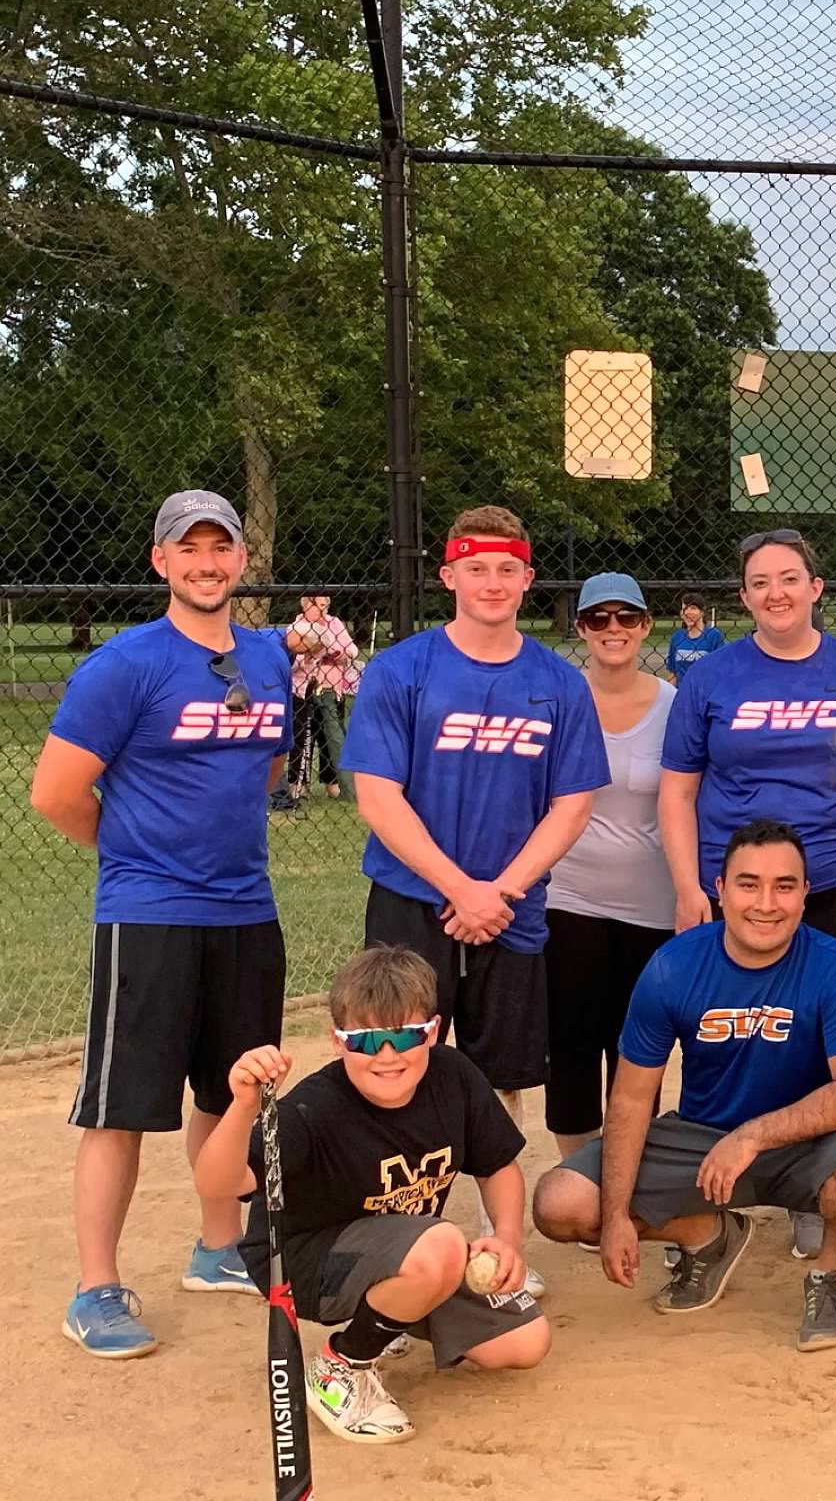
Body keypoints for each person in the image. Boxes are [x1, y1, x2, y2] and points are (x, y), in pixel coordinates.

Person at [30, 489, 294, 1357]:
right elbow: (57, 793)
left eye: (222, 548)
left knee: (234, 1092)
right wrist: (136, 852)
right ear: (161, 562)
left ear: (241, 561)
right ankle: (94, 1289)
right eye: (190, 550)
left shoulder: (268, 659)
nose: (207, 563)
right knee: (120, 1107)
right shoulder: (125, 664)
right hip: (148, 914)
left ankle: (220, 1247)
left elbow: (266, 768)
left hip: (246, 909)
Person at [341, 505, 608, 1296]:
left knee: (497, 1082)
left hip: (512, 908)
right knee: (392, 1063)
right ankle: (391, 1244)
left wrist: (502, 890)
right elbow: (377, 795)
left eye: (507, 568)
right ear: (448, 575)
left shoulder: (556, 683)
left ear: (528, 578)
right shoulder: (404, 670)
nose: (492, 582)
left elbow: (571, 805)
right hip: (412, 903)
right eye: (475, 566)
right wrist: (460, 888)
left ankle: (500, 1252)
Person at [531, 820, 836, 1352]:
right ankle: (706, 1235)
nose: (766, 903)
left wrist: (751, 1137)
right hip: (703, 1140)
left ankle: (830, 1279)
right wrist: (614, 1217)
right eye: (748, 884)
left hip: (805, 1144)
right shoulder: (673, 967)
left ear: (805, 894)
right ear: (719, 890)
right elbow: (632, 1097)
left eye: (784, 886)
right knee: (562, 1204)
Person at [194, 946, 549, 1445]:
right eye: (366, 1040)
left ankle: (394, 1311)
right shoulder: (313, 1110)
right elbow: (217, 1185)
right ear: (337, 1043)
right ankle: (343, 1365)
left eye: (404, 1035)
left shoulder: (455, 1077)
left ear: (432, 1030)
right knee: (442, 1245)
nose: (387, 1055)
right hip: (306, 1259)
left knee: (523, 1343)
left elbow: (498, 1168)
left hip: (400, 1249)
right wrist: (243, 1106)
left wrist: (508, 1239)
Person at [659, 529, 836, 959]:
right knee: (739, 1016)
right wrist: (687, 888)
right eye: (760, 583)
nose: (775, 593)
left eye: (789, 579)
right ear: (744, 597)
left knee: (828, 1017)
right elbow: (677, 792)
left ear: (815, 588)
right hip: (738, 883)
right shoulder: (709, 677)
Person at [542, 571, 678, 1159]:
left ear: (646, 626)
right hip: (567, 897)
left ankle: (628, 1171)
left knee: (635, 1047)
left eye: (626, 617)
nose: (613, 629)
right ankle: (578, 1176)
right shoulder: (558, 698)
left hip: (651, 903)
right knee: (570, 1042)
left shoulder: (674, 705)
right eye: (598, 618)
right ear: (581, 628)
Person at [272, 592, 359, 812]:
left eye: (326, 606)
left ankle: (333, 782)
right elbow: (292, 662)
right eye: (319, 606)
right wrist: (312, 653)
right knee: (302, 737)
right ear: (306, 606)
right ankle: (297, 784)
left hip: (331, 687)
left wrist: (342, 656)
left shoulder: (334, 624)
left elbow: (351, 649)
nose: (324, 611)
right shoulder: (297, 627)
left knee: (330, 738)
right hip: (303, 689)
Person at [666, 591, 725, 682]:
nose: (688, 612)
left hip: (706, 691)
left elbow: (721, 670)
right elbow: (673, 673)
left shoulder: (714, 636)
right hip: (683, 692)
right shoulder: (677, 637)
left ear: (702, 612)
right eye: (685, 608)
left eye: (693, 608)